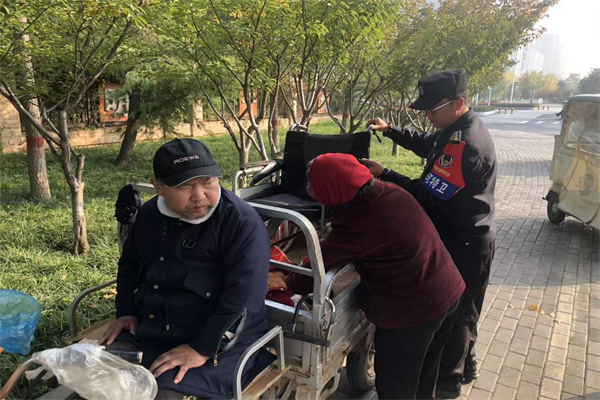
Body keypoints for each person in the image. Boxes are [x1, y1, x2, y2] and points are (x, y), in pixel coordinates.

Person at [99, 138, 271, 399]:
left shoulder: (240, 222)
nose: (199, 195)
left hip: (220, 336)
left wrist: (202, 348)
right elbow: (130, 264)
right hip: (153, 326)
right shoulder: (149, 215)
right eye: (185, 186)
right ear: (159, 187)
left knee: (162, 393)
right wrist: (126, 310)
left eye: (208, 182)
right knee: (100, 374)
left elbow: (244, 299)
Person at [285, 153, 465, 400]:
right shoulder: (389, 191)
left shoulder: (358, 220)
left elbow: (314, 270)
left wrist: (286, 280)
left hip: (414, 311)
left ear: (331, 190)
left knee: (396, 388)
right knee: (424, 377)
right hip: (448, 290)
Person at [365, 68, 497, 398]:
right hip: (458, 234)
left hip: (465, 242)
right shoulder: (452, 130)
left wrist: (385, 174)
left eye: (432, 109)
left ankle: (449, 382)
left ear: (459, 103)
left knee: (459, 312)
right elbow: (428, 144)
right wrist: (392, 131)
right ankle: (466, 363)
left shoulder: (465, 145)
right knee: (464, 309)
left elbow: (426, 196)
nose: (427, 115)